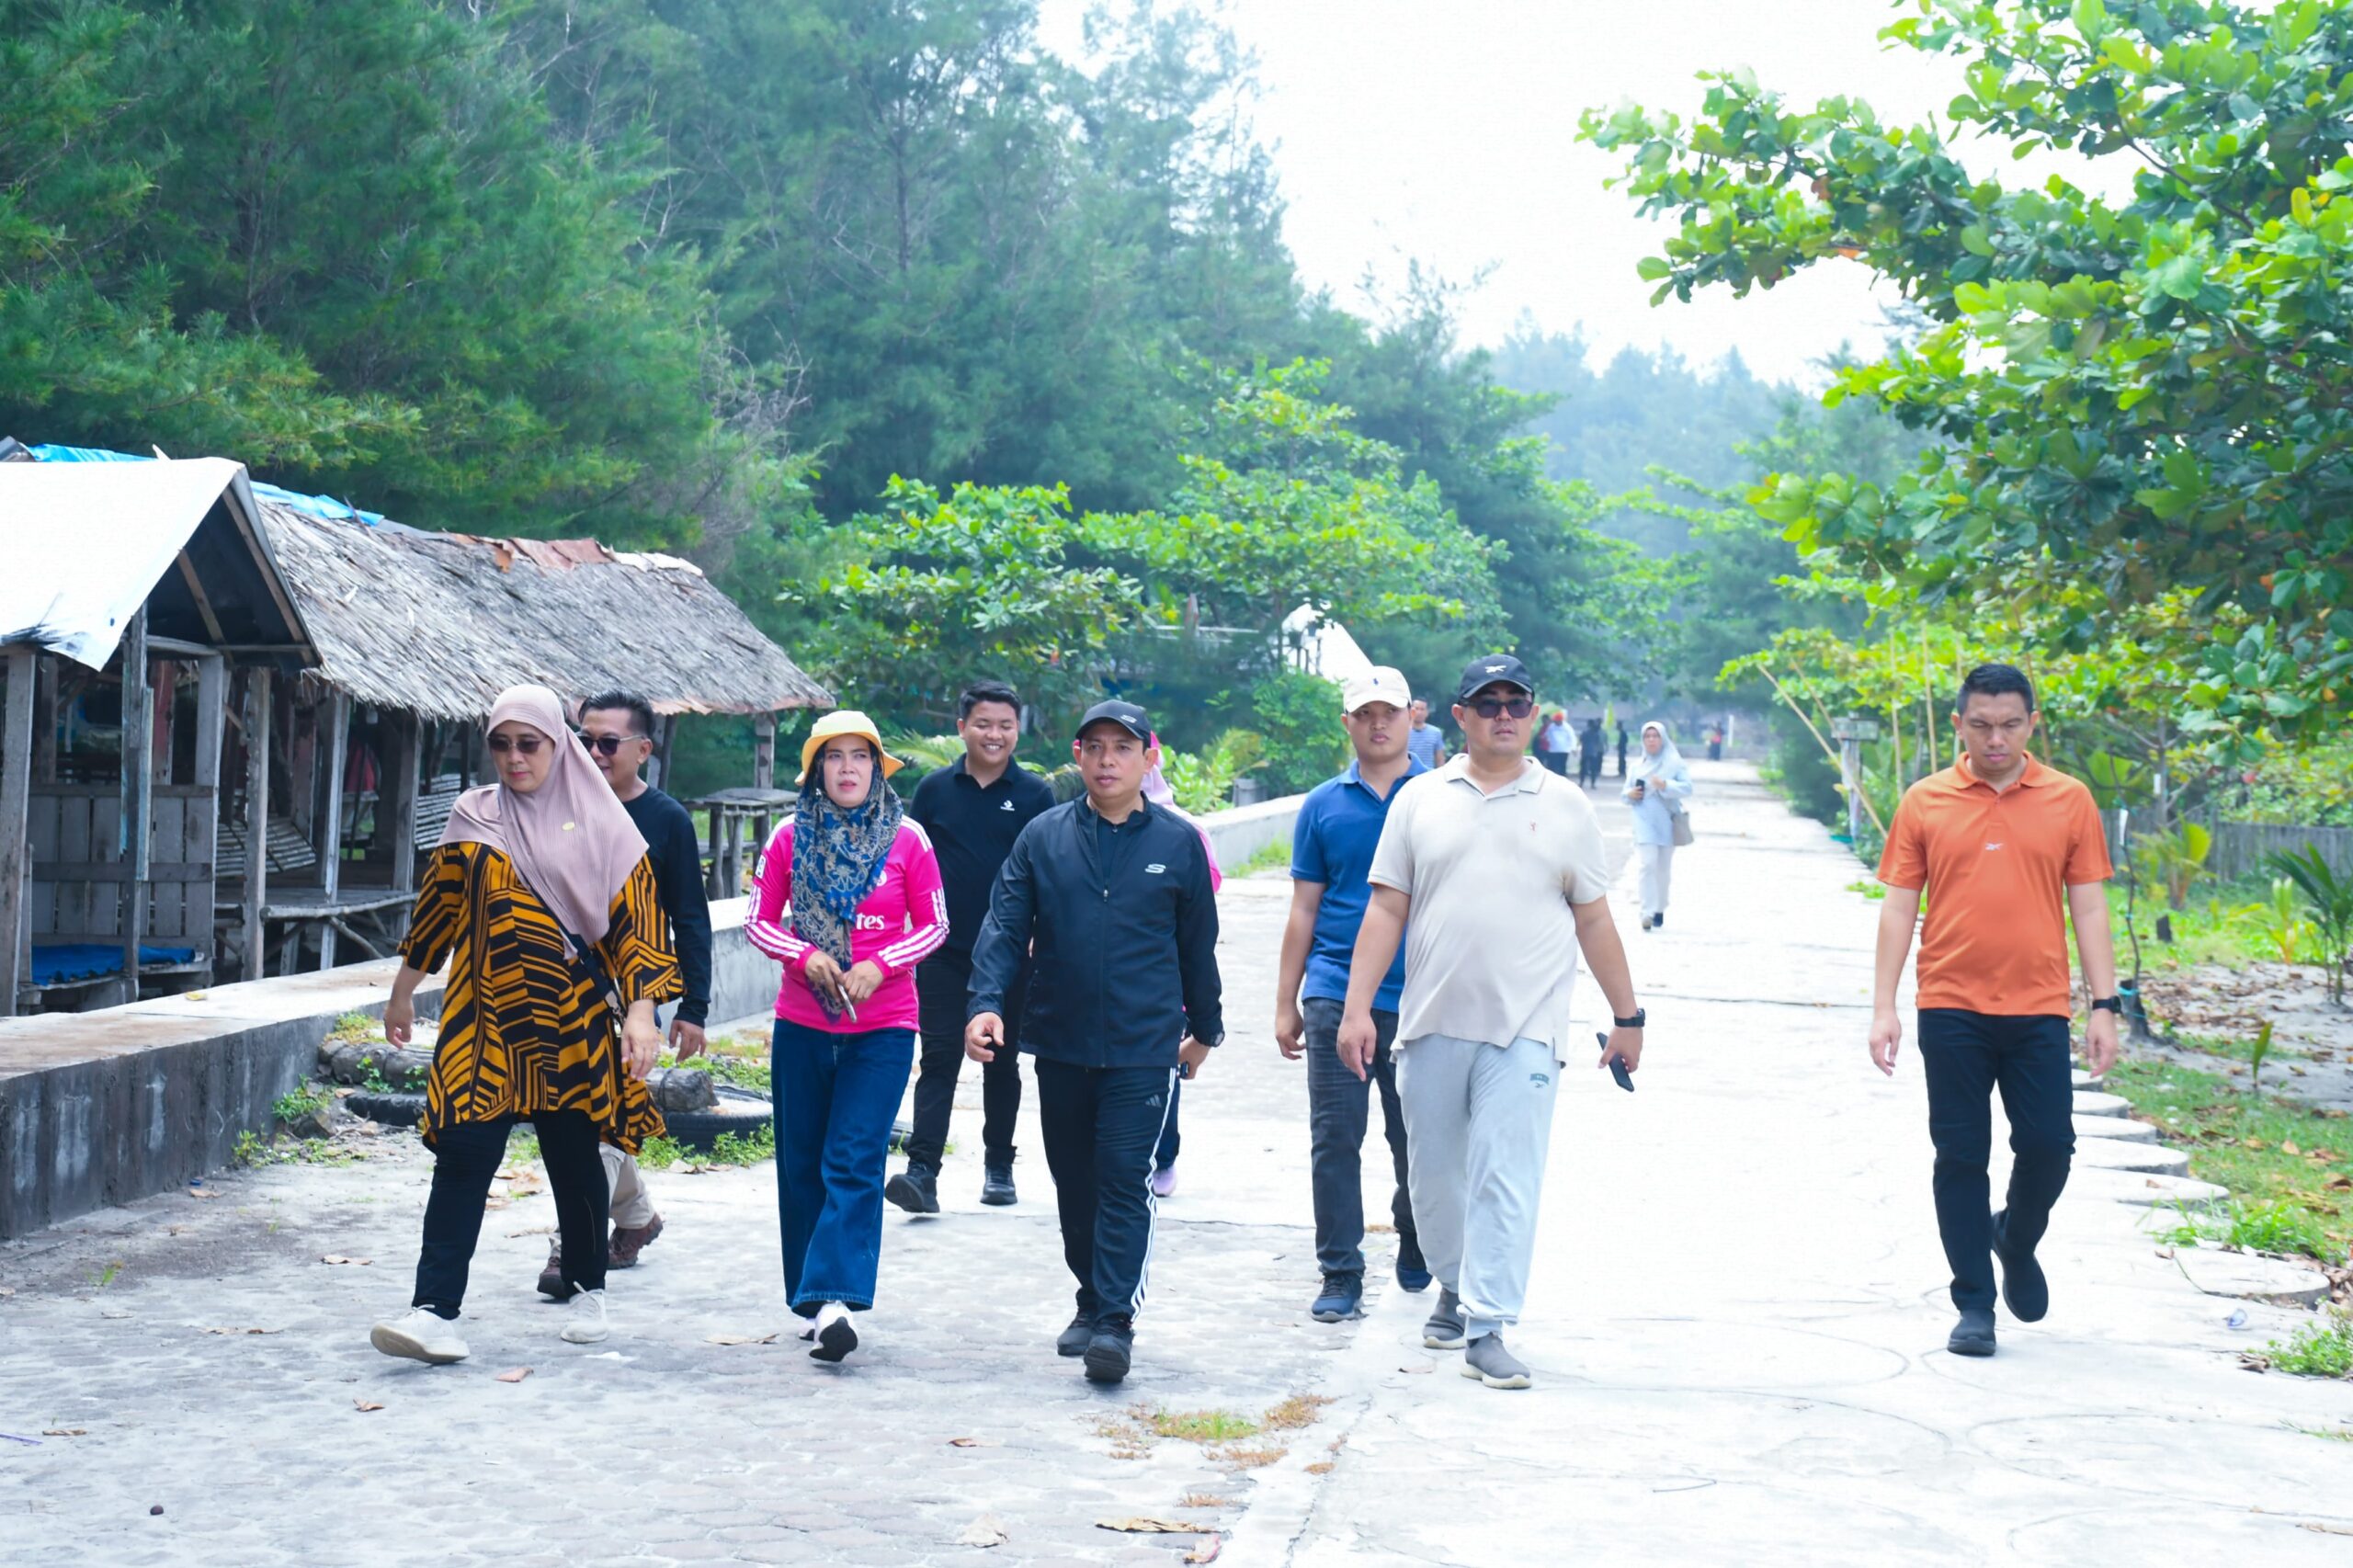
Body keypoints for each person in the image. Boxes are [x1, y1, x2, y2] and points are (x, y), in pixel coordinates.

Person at [1340, 654, 1645, 1392]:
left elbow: (1595, 918)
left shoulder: (1567, 805)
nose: (1503, 714)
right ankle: (1453, 1280)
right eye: (1488, 702)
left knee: (1506, 1175)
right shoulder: (1420, 799)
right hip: (1432, 1020)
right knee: (1435, 1176)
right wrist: (1356, 1009)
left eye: (1517, 702)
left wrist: (1627, 1016)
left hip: (1526, 1029)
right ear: (1460, 716)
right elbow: (1386, 907)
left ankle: (1489, 1323)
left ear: (1534, 715)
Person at [369, 685, 676, 1365]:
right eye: (501, 745)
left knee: (573, 1158)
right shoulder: (473, 816)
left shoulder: (602, 822)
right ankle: (433, 1311)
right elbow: (438, 911)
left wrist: (643, 1012)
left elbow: (638, 927)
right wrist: (401, 994)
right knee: (464, 1158)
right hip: (484, 1020)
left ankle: (590, 1287)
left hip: (571, 1019)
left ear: (556, 744)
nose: (514, 759)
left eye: (529, 744)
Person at [965, 699, 1222, 1386]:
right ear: (1077, 757)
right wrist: (985, 1004)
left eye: (1123, 748)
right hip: (1062, 1041)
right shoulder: (1044, 838)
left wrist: (1206, 1029)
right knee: (1073, 1183)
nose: (1108, 761)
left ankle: (1115, 1322)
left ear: (1148, 758)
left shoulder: (1177, 843)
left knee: (1121, 1180)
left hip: (1145, 1047)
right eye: (1095, 748)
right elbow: (1002, 925)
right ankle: (1089, 1297)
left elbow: (1200, 945)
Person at [1870, 663, 2120, 1358]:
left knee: (2049, 1146)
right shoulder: (1926, 801)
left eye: (2010, 724)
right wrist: (1883, 1007)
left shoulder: (2069, 802)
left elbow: (2091, 904)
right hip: (1949, 1005)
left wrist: (2105, 1005)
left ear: (2032, 723)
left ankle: (2015, 1234)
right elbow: (1898, 908)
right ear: (1959, 725)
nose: (1996, 739)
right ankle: (1973, 1303)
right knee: (1959, 1155)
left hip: (2039, 1007)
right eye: (1981, 725)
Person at [745, 710, 948, 1362]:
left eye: (861, 756)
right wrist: (802, 957)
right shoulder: (786, 836)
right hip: (801, 1024)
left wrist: (880, 963)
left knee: (854, 1157)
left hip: (884, 1027)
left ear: (878, 767)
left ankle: (839, 1301)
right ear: (816, 770)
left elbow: (936, 924)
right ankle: (812, 1300)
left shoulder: (909, 838)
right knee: (801, 1161)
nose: (849, 768)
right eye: (834, 757)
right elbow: (758, 920)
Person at [529, 691, 711, 1297]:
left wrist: (693, 1008)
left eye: (609, 743)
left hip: (630, 1000)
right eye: (584, 740)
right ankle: (636, 1217)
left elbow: (690, 918)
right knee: (573, 1115)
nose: (595, 752)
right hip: (555, 991)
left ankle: (569, 1244)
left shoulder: (666, 821)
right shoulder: (553, 807)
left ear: (643, 750)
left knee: (602, 1118)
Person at [1275, 666, 1428, 1324]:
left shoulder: (1438, 798)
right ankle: (1340, 1271)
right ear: (1348, 723)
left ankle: (1418, 1236)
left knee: (1416, 1136)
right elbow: (1304, 908)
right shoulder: (1323, 805)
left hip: (1420, 992)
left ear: (1412, 717)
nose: (1378, 723)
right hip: (1335, 990)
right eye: (1364, 713)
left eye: (1389, 712)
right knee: (1335, 1136)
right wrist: (1288, 1001)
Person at [889, 681, 1053, 1214]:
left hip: (1009, 955)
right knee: (938, 1058)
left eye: (1006, 725)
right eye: (983, 723)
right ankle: (922, 1173)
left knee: (1001, 1064)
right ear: (961, 728)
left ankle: (999, 1167)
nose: (995, 734)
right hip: (942, 949)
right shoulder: (935, 789)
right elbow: (911, 862)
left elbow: (1046, 874)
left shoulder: (1035, 795)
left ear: (1018, 731)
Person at [1142, 732, 1224, 1199]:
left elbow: (1202, 906)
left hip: (1166, 974)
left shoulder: (1185, 830)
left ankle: (1164, 1155)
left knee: (1164, 1069)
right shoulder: (1076, 825)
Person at [1623, 721, 1695, 932]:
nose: (1651, 740)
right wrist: (1630, 794)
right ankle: (1646, 911)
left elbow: (1688, 787)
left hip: (1666, 821)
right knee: (1647, 864)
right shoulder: (1637, 766)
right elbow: (1625, 793)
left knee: (1662, 869)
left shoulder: (1674, 764)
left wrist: (1666, 785)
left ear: (1663, 739)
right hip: (1643, 818)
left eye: (1655, 736)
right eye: (1647, 736)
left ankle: (1659, 908)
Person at [1404, 699, 1448, 769]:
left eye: (1422, 709)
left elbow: (1440, 760)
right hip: (1406, 775)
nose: (1419, 712)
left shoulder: (1435, 733)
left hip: (1428, 776)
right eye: (1416, 708)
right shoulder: (1403, 732)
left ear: (1427, 712)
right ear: (1410, 711)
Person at [1577, 717, 1605, 790]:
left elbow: (1581, 740)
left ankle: (1581, 782)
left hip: (1585, 752)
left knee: (1583, 769)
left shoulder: (1584, 732)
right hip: (1593, 753)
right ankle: (1592, 783)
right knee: (1593, 770)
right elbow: (1597, 742)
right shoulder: (1596, 733)